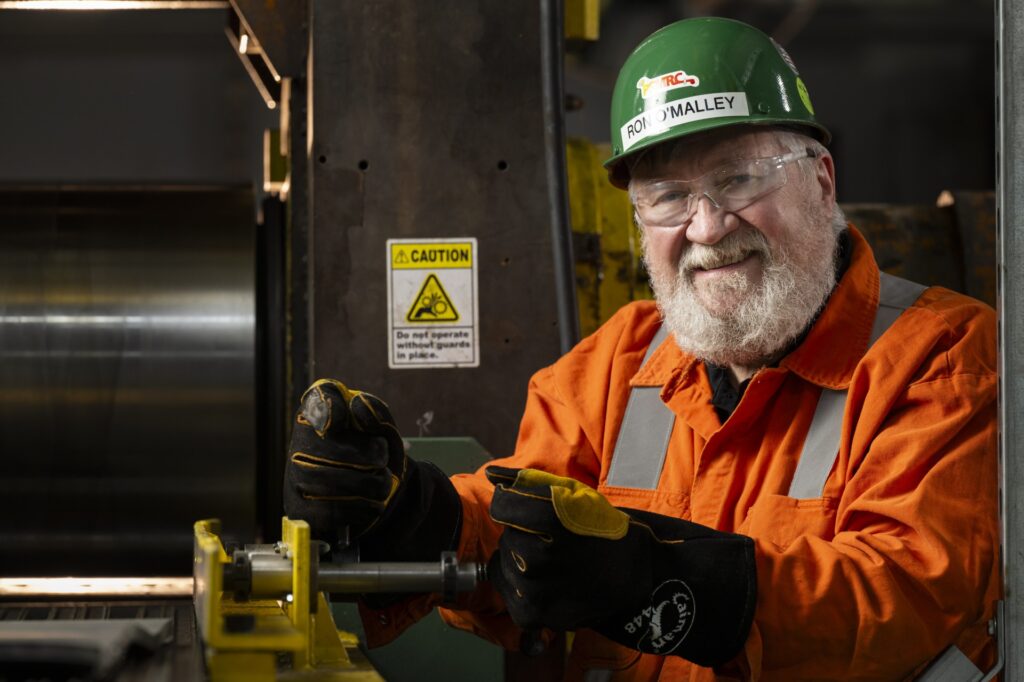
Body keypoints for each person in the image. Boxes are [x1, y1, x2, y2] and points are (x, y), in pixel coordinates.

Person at [283, 17, 999, 681]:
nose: (708, 226)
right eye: (667, 196)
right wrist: (416, 516)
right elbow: (524, 511)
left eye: (739, 179)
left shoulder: (946, 357)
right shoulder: (621, 360)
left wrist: (658, 583)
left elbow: (901, 597)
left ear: (820, 180)